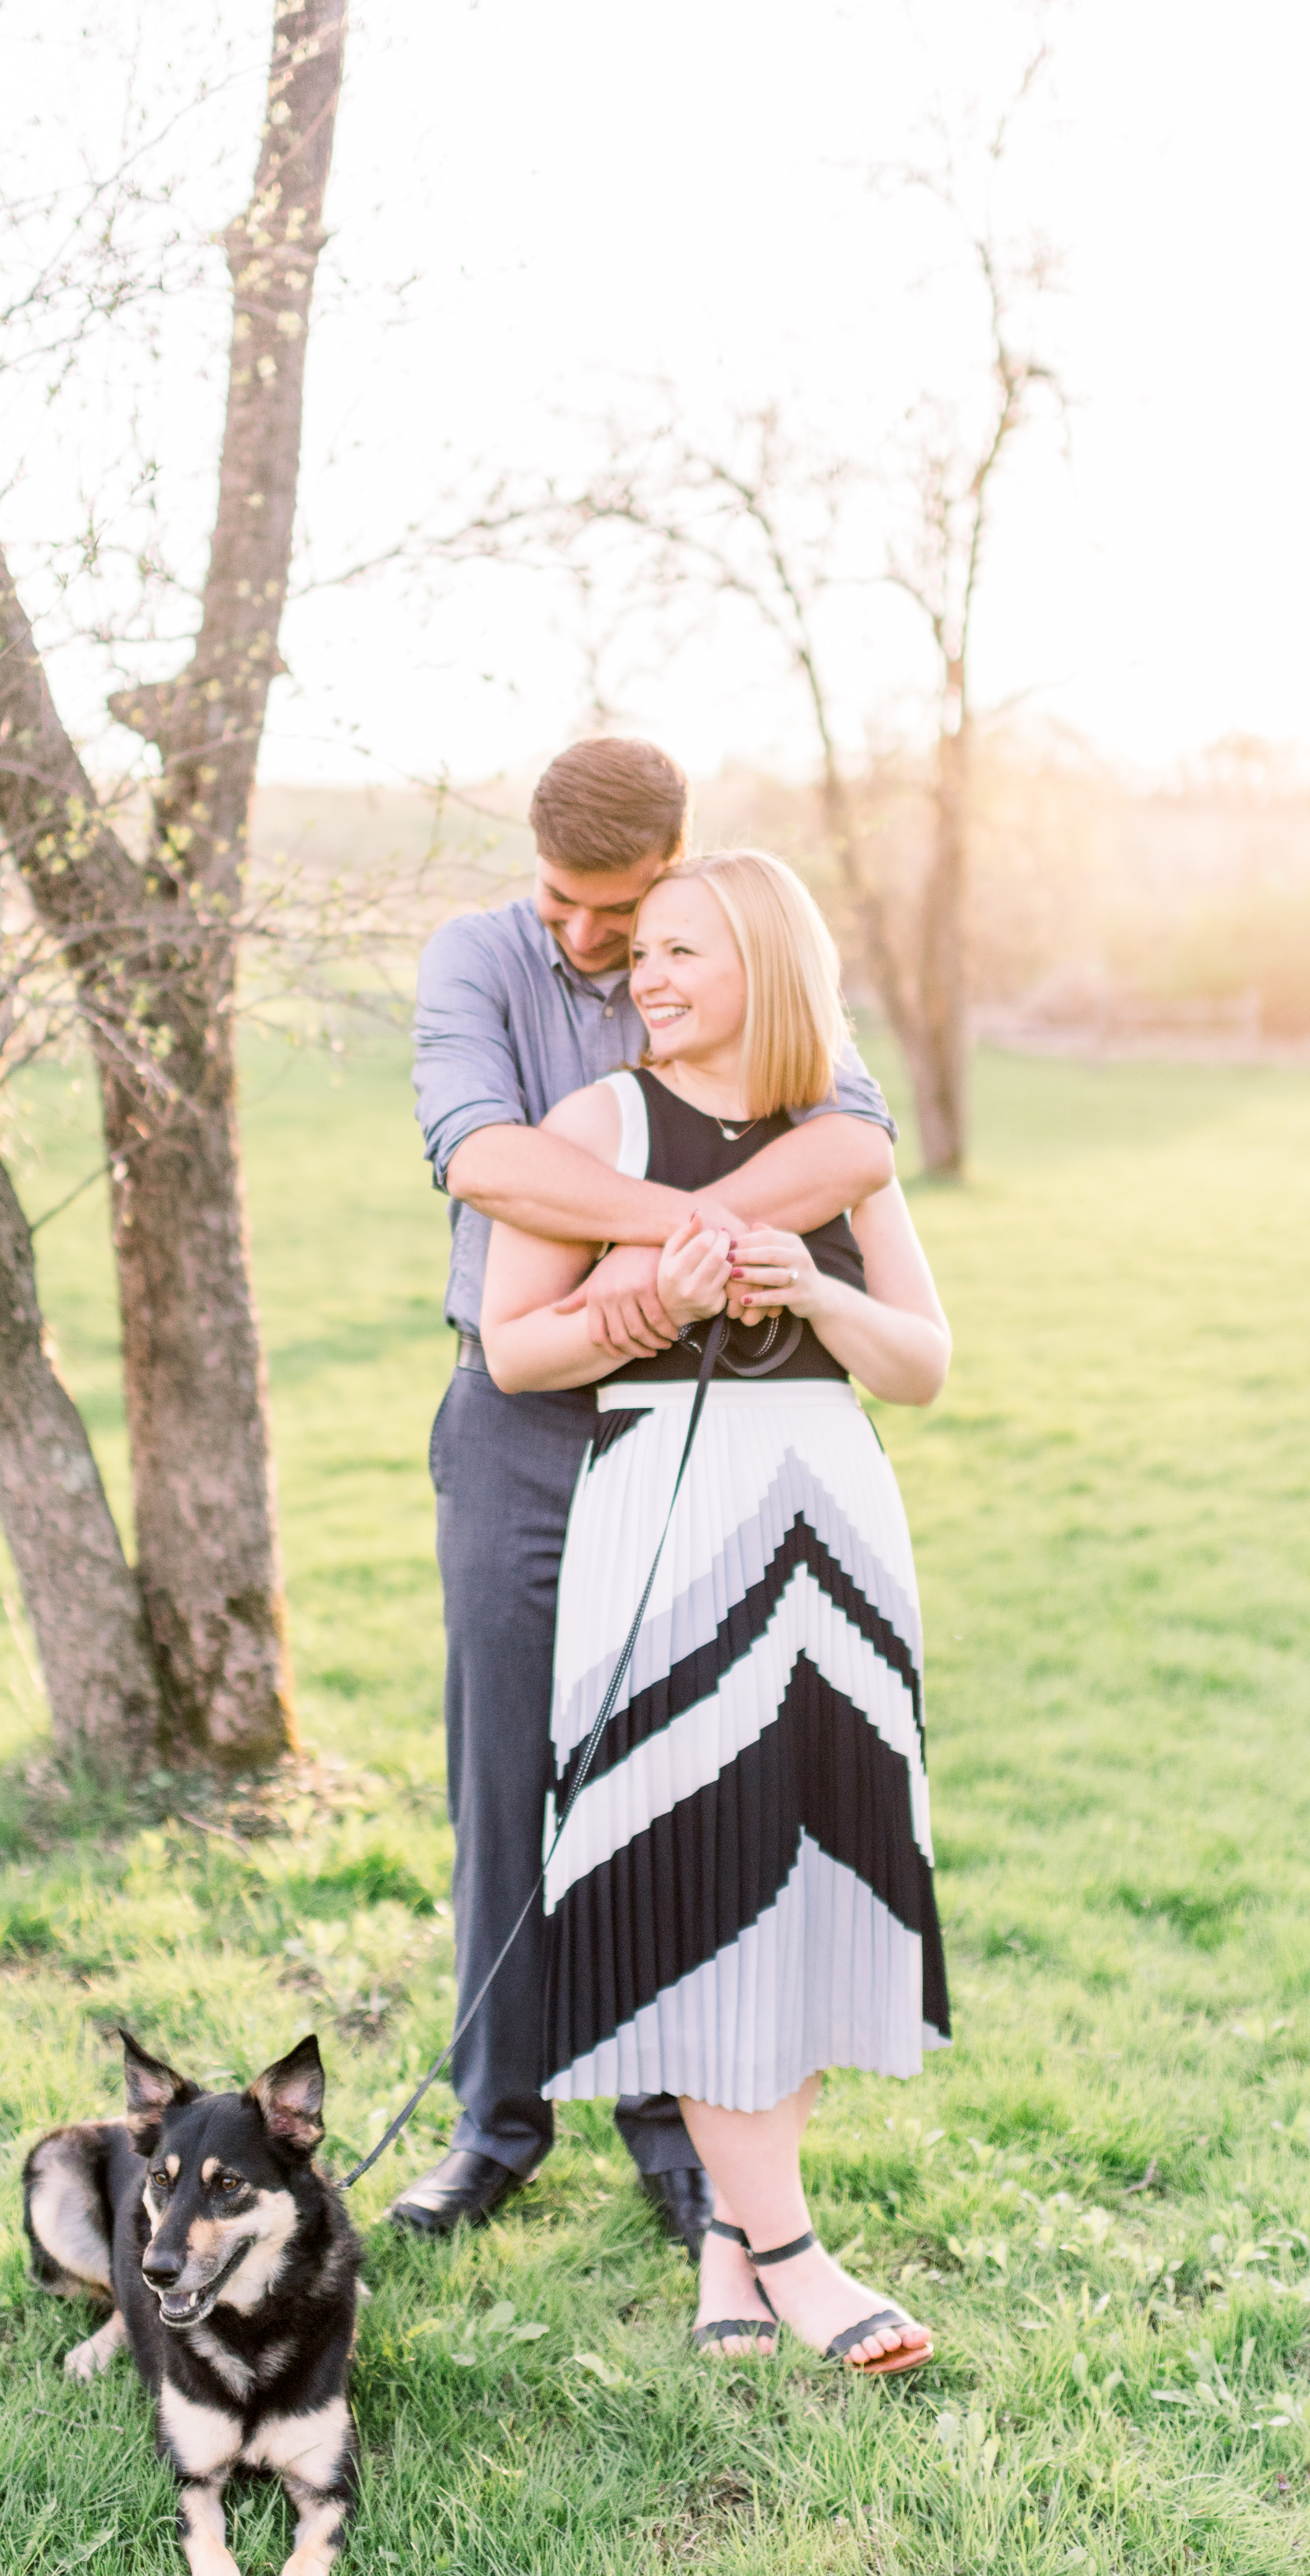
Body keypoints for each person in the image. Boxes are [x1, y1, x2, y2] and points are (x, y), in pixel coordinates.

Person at [399, 741, 899, 2251]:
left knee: (674, 1772)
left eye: (614, 911)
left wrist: (632, 1256)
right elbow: (479, 1158)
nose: (584, 938)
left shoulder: (719, 956)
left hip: (694, 1421)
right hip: (518, 1414)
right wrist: (668, 1240)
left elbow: (851, 1141)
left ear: (676, 867)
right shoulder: (480, 959)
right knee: (504, 1778)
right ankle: (495, 2125)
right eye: (562, 900)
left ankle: (679, 2138)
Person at [478, 849, 950, 2372]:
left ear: (768, 962)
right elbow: (513, 1353)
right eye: (643, 954)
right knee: (698, 1857)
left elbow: (922, 1364)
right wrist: (661, 1297)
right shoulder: (596, 1126)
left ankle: (728, 2262)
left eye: (685, 950)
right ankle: (799, 2259)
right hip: (668, 1518)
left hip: (832, 1509)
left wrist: (810, 1297)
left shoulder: (842, 1141)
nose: (649, 976)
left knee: (814, 1878)